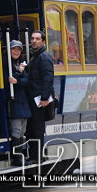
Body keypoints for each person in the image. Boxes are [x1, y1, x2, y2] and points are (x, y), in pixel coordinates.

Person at [25, 31, 54, 163]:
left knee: (37, 128)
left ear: (43, 42)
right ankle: (34, 155)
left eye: (37, 39)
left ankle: (37, 157)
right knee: (32, 128)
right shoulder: (35, 56)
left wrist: (44, 98)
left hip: (39, 100)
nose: (34, 41)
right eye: (32, 38)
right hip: (33, 98)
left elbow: (48, 78)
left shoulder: (44, 57)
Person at [7, 40, 31, 166]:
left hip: (23, 101)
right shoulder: (7, 64)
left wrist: (18, 79)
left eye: (18, 49)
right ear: (9, 50)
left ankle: (20, 156)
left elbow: (26, 81)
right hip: (14, 101)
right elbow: (9, 81)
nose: (16, 52)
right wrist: (18, 75)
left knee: (23, 130)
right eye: (13, 49)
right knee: (16, 130)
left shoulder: (21, 64)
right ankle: (17, 158)